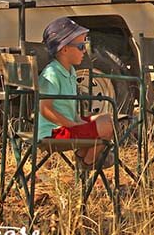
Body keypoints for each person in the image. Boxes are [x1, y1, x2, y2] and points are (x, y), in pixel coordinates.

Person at [38, 17, 114, 168]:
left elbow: (67, 109)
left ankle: (83, 155)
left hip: (67, 126)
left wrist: (78, 121)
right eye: (80, 46)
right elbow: (45, 109)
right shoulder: (51, 73)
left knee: (106, 118)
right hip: (54, 132)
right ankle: (88, 163)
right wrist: (72, 125)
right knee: (107, 125)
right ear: (64, 49)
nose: (84, 50)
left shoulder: (71, 71)